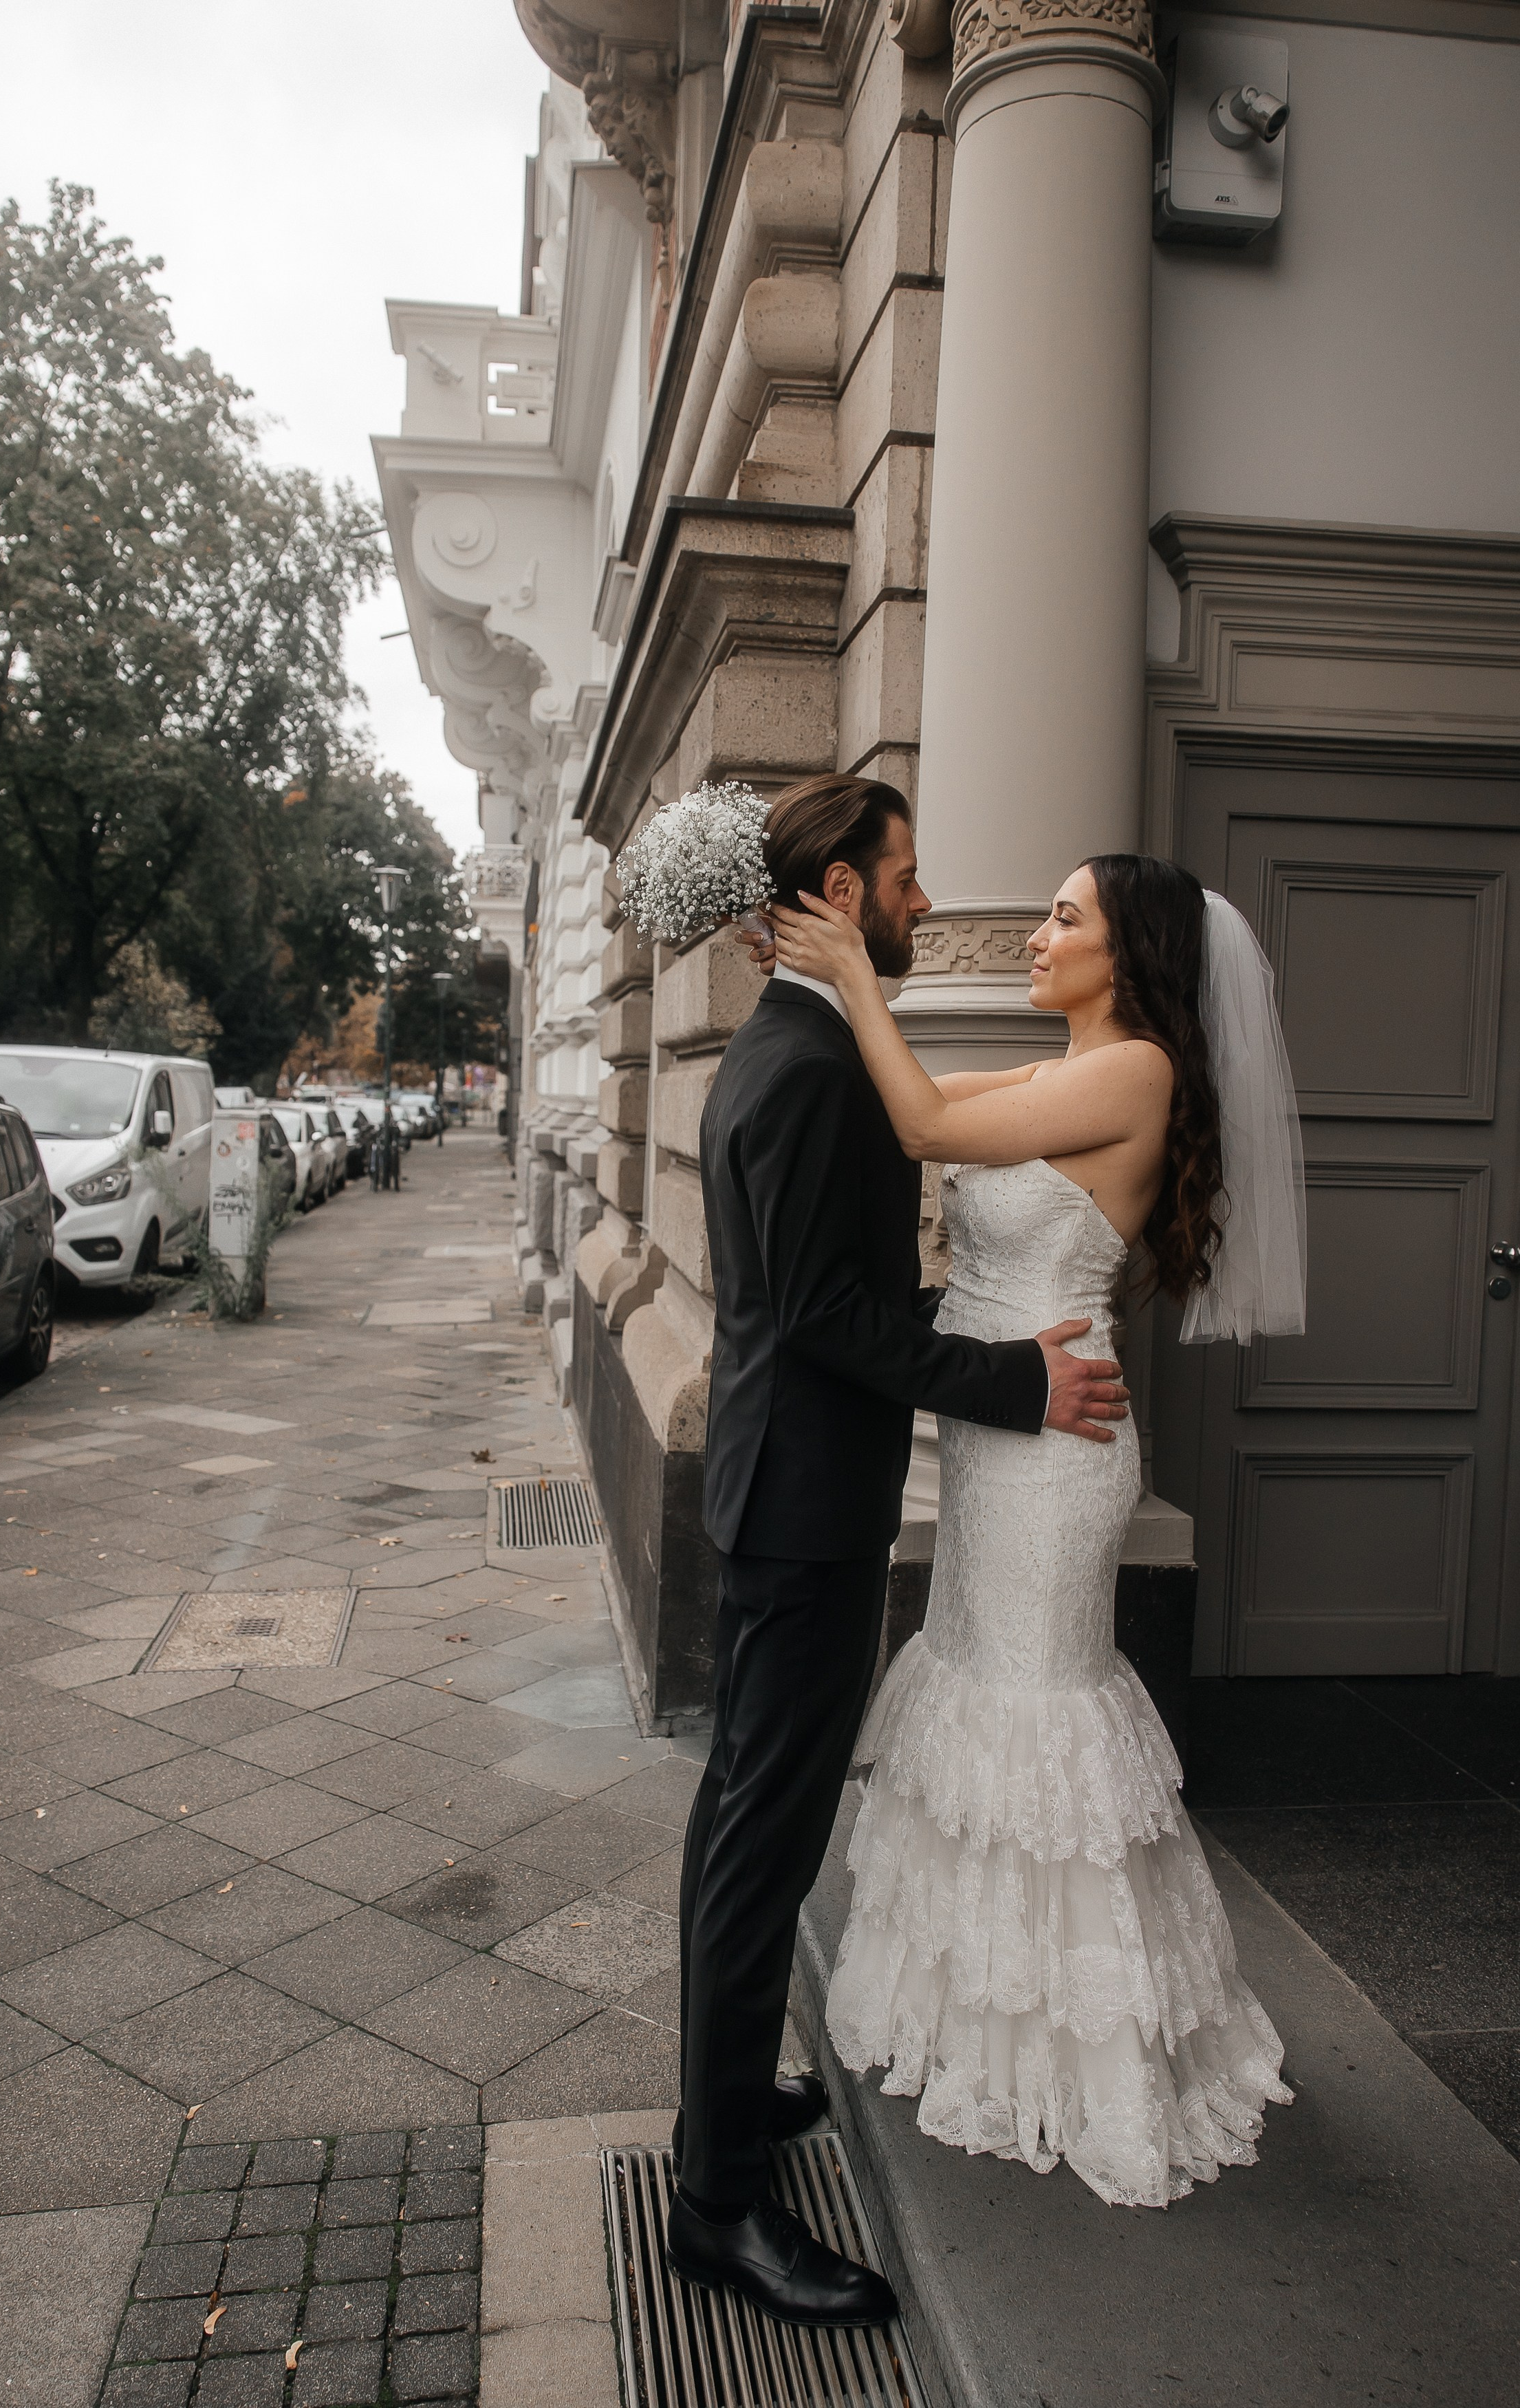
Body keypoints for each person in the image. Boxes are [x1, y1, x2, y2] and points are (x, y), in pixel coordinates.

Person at [767, 846, 1305, 2208]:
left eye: (1064, 918)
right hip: (997, 1435)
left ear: (1129, 955)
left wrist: (851, 973)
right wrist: (823, 992)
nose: (1034, 934)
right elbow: (917, 1102)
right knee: (976, 1688)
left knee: (1036, 1713)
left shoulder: (1135, 1072)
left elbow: (923, 1129)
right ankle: (971, 2017)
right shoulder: (1064, 1067)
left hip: (1058, 1455)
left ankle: (1085, 2056)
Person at [667, 774, 1129, 2328]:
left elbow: (832, 1298)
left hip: (786, 1496)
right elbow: (826, 1320)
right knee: (761, 1847)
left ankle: (727, 2105)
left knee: (742, 1829)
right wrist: (1010, 1378)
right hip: (801, 1511)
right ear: (843, 894)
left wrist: (978, 1333)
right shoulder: (809, 1068)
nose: (926, 902)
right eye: (909, 877)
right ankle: (718, 2208)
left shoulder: (795, 1041)